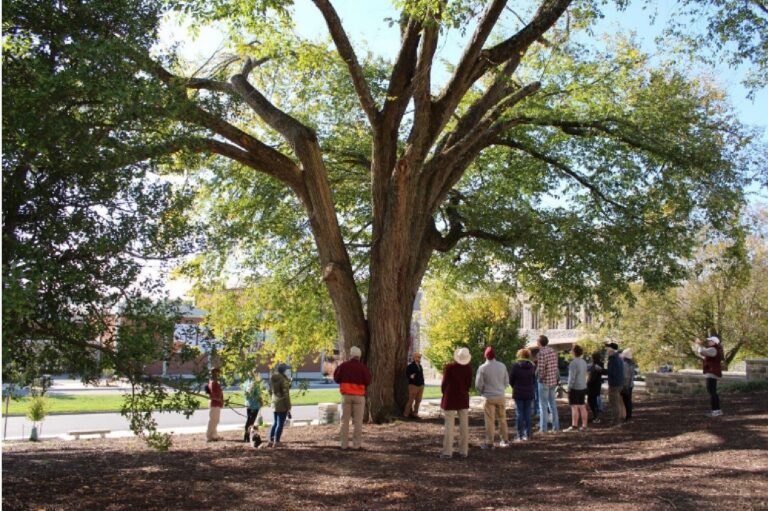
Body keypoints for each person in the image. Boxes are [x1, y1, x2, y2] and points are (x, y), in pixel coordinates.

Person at [333, 346, 372, 450]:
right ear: (359, 356)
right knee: (358, 422)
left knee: (344, 421)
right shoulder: (363, 367)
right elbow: (368, 381)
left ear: (351, 355)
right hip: (359, 397)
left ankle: (344, 445)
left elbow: (336, 378)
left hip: (346, 396)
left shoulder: (343, 366)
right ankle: (356, 445)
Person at [439, 347, 473, 459]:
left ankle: (447, 452)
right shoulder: (468, 368)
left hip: (451, 397)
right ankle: (464, 451)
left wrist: (444, 392)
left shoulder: (450, 367)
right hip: (463, 397)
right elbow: (468, 384)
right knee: (464, 425)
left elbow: (444, 383)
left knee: (449, 426)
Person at [475, 346, 510, 448]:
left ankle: (489, 442)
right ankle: (505, 440)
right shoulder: (502, 366)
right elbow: (506, 381)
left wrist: (482, 391)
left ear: (485, 356)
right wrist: (500, 388)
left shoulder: (482, 368)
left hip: (488, 397)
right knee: (502, 418)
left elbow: (478, 384)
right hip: (500, 396)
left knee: (489, 420)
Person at [509, 348, 536, 441]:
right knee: (528, 413)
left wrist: (515, 387)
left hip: (518, 392)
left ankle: (519, 434)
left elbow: (511, 380)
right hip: (529, 392)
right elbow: (533, 380)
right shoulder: (532, 366)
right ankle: (528, 434)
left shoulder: (515, 366)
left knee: (519, 413)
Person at [693, 335, 724, 417]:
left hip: (712, 373)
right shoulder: (714, 349)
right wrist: (699, 346)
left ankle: (715, 411)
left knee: (712, 392)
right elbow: (703, 354)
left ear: (714, 342)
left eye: (710, 341)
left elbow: (702, 352)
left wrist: (699, 344)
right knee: (713, 392)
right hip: (712, 372)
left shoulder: (713, 349)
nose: (709, 342)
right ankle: (717, 410)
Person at [536, 335, 560, 433]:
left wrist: (539, 379)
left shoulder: (541, 353)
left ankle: (543, 428)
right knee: (552, 404)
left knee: (543, 406)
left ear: (539, 343)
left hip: (544, 381)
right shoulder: (553, 351)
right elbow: (555, 366)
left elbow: (541, 369)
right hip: (553, 380)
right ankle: (556, 427)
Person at [564, 345, 588, 432]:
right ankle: (584, 426)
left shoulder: (573, 363)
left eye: (572, 351)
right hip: (583, 386)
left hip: (575, 387)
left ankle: (574, 426)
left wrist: (569, 387)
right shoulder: (584, 362)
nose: (571, 352)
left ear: (574, 352)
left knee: (574, 406)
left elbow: (571, 377)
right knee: (582, 406)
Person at [268, 363, 292, 448]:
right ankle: (276, 441)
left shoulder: (272, 379)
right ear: (284, 371)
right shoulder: (283, 380)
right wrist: (288, 407)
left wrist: (273, 399)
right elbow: (286, 395)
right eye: (286, 370)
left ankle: (271, 440)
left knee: (275, 422)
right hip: (282, 404)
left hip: (275, 402)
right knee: (280, 423)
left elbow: (270, 391)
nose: (287, 371)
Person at [605, 342, 626, 426]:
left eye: (607, 348)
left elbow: (611, 372)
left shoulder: (612, 359)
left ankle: (616, 421)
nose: (606, 350)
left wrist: (602, 370)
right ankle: (617, 420)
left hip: (614, 384)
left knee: (614, 403)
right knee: (617, 402)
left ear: (611, 349)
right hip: (619, 383)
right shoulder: (619, 358)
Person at [243, 370, 263, 444]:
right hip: (254, 405)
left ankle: (246, 435)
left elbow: (245, 393)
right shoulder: (255, 384)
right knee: (251, 421)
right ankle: (249, 436)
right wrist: (261, 401)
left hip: (248, 404)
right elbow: (257, 395)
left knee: (249, 420)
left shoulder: (245, 383)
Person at [403, 352, 425, 419]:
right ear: (414, 357)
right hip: (413, 385)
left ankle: (415, 414)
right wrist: (411, 376)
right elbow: (407, 374)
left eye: (420, 357)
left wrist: (423, 383)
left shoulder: (420, 366)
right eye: (418, 357)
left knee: (418, 400)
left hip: (421, 385)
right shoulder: (410, 366)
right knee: (411, 400)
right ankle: (406, 414)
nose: (419, 358)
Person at [206, 367, 224, 442]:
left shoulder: (213, 382)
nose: (218, 375)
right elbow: (212, 394)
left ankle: (214, 435)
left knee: (215, 420)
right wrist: (219, 399)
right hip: (215, 403)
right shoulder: (213, 383)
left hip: (216, 403)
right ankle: (209, 436)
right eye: (217, 373)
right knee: (213, 420)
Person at [587, 351, 605, 424]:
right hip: (597, 385)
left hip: (593, 386)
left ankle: (596, 417)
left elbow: (592, 377)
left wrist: (588, 383)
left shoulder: (596, 366)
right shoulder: (599, 365)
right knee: (593, 401)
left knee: (592, 401)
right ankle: (595, 416)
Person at [620, 348, 637, 421]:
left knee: (626, 401)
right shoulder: (632, 364)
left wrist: (624, 387)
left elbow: (626, 377)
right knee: (628, 401)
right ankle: (628, 415)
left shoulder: (625, 364)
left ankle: (628, 416)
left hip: (626, 386)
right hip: (630, 385)